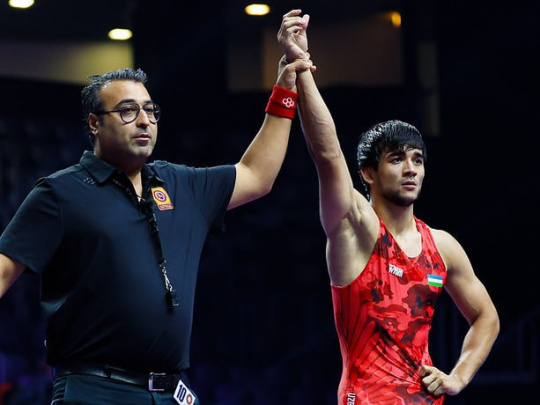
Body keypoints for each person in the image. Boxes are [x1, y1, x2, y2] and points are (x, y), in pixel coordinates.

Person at [0, 51, 313, 402]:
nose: (144, 121)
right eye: (128, 111)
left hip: (170, 391)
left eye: (150, 111)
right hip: (95, 390)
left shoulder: (180, 184)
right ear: (94, 123)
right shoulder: (60, 193)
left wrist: (286, 90)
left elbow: (257, 175)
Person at [278, 9, 500, 404]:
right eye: (397, 159)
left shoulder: (442, 246)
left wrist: (458, 377)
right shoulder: (355, 228)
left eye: (418, 159)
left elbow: (487, 318)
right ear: (368, 173)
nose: (411, 169)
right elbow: (327, 155)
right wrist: (302, 66)